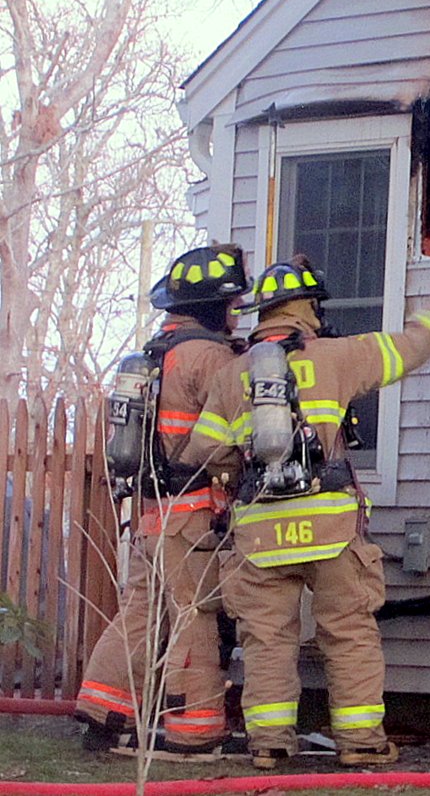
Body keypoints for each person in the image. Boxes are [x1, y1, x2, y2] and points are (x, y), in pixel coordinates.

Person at [180, 256, 430, 770]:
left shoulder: (233, 373)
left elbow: (206, 454)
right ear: (307, 308)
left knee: (266, 640)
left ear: (264, 312)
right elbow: (407, 350)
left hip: (261, 532)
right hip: (329, 526)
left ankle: (269, 743)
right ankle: (360, 742)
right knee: (348, 631)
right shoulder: (340, 355)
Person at [76, 244, 251, 759]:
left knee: (138, 613)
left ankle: (102, 710)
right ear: (212, 306)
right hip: (192, 513)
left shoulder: (156, 354)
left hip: (150, 515)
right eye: (231, 304)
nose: (235, 313)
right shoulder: (212, 358)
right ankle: (194, 731)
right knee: (193, 616)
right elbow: (231, 440)